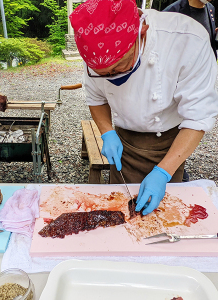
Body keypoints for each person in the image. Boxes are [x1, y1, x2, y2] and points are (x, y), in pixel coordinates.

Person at [69, 0, 218, 215]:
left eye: (119, 66)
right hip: (124, 144)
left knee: (164, 216)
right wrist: (107, 132)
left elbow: (198, 118)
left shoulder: (189, 40)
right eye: (104, 74)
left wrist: (163, 172)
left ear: (142, 32)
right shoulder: (94, 46)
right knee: (119, 214)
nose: (111, 76)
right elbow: (96, 98)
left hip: (169, 143)